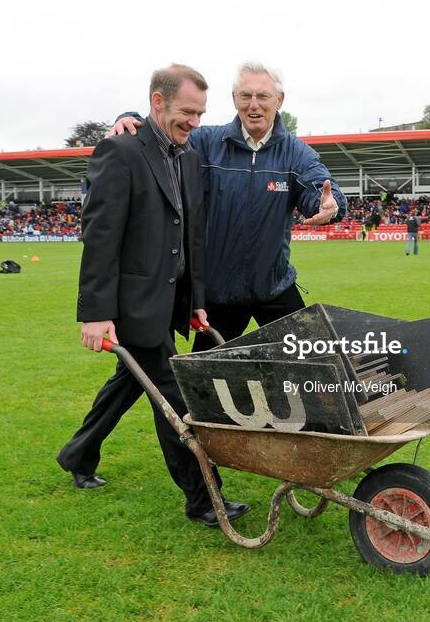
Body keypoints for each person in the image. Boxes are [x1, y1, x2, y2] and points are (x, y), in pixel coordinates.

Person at [58, 64, 248, 527]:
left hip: (171, 303)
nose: (195, 123)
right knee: (173, 400)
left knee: (128, 384)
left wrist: (197, 299)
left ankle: (78, 455)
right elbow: (100, 237)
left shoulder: (186, 156)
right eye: (188, 112)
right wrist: (96, 314)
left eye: (201, 114)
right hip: (133, 306)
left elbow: (191, 237)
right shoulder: (119, 152)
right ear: (158, 103)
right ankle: (204, 498)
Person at [110, 61, 348, 350]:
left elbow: (319, 187)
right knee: (207, 384)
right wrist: (129, 117)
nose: (253, 105)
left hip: (274, 289)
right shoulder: (206, 143)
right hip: (218, 296)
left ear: (279, 100)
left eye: (262, 96)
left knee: (315, 361)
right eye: (245, 96)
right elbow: (164, 130)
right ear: (235, 98)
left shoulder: (296, 153)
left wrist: (330, 205)